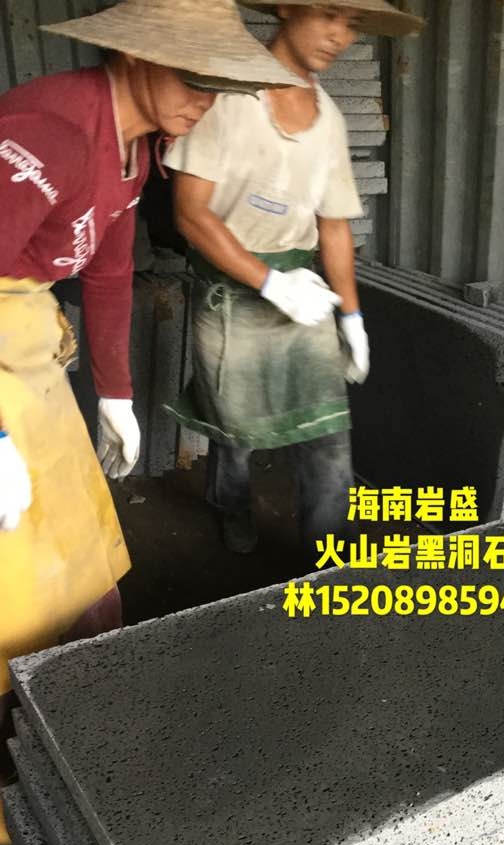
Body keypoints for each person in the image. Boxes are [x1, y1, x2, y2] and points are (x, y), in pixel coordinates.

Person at [0, 0, 305, 844]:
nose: (205, 100)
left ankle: (75, 730)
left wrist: (115, 393)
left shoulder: (136, 150)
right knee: (13, 579)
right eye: (193, 79)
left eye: (217, 86)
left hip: (23, 346)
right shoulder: (49, 133)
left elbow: (107, 273)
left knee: (81, 541)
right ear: (133, 57)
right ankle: (16, 779)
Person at [164, 1, 423, 557]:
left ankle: (326, 560)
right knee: (236, 431)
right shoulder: (228, 97)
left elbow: (334, 226)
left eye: (351, 24)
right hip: (230, 296)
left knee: (328, 435)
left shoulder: (329, 120)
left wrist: (351, 316)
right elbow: (190, 214)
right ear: (287, 8)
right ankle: (230, 508)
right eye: (329, 14)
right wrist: (269, 284)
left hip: (303, 292)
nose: (340, 35)